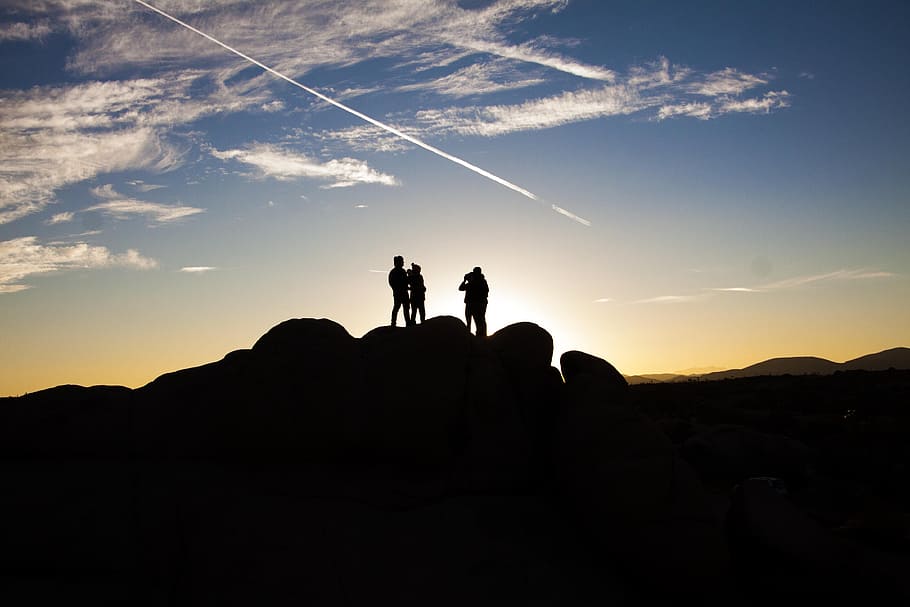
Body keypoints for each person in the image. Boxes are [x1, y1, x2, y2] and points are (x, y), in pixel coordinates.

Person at [458, 266, 488, 337]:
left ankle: (481, 335)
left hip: (477, 304)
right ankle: (469, 334)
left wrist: (467, 280)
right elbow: (460, 288)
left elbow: (485, 291)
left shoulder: (481, 281)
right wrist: (465, 280)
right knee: (470, 320)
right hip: (470, 303)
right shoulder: (472, 282)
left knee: (479, 321)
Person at [388, 255, 411, 326]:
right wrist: (398, 288)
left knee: (406, 307)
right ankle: (393, 322)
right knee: (397, 307)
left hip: (403, 292)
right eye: (402, 261)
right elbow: (392, 282)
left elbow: (406, 281)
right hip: (399, 292)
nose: (403, 262)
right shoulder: (394, 272)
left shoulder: (402, 271)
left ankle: (407, 322)